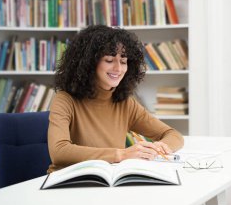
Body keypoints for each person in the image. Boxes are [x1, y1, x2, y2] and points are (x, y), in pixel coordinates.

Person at [47, 25, 184, 173]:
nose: (118, 69)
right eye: (109, 60)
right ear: (89, 63)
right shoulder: (64, 99)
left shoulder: (125, 103)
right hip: (66, 183)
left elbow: (173, 135)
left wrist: (158, 148)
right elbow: (59, 152)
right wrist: (121, 154)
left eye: (123, 61)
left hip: (107, 181)